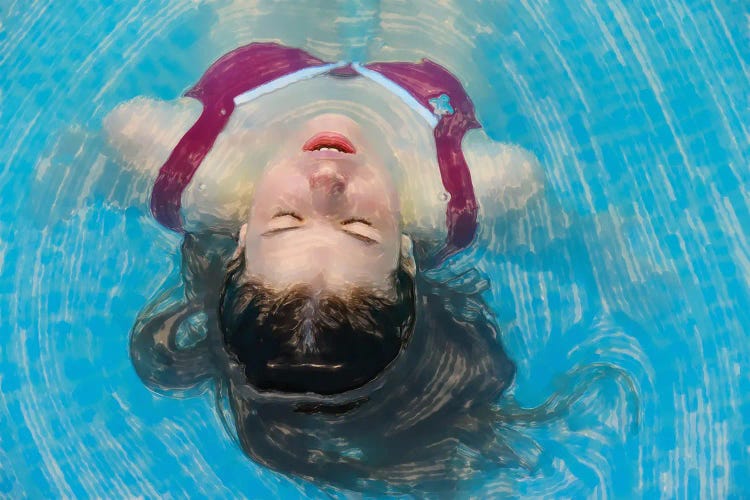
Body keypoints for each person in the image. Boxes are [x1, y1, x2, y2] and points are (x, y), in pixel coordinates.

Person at [111, 43, 615, 494]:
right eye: (359, 228)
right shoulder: (482, 184)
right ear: (406, 258)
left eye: (286, 220)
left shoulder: (178, 156)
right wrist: (619, 257)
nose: (327, 179)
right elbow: (571, 235)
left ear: (240, 242)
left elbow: (87, 154)